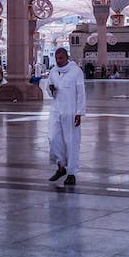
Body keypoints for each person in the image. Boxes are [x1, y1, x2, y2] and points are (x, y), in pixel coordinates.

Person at [46, 47, 86, 185]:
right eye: (56, 58)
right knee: (53, 138)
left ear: (66, 57)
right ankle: (61, 166)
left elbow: (81, 93)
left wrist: (79, 112)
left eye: (61, 58)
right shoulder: (53, 71)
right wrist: (51, 89)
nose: (58, 60)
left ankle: (71, 173)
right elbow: (48, 87)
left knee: (71, 142)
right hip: (56, 110)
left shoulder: (76, 72)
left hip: (71, 111)